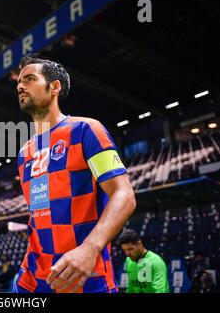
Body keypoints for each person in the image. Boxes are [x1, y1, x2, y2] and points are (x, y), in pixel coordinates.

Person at [13, 54, 136, 293]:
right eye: (18, 82)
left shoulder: (86, 130)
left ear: (55, 86)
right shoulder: (24, 152)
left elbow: (124, 194)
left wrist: (89, 249)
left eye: (29, 78)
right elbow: (38, 216)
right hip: (32, 279)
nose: (20, 85)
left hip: (83, 277)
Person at [119, 229, 169, 293]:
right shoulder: (129, 261)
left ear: (139, 244)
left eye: (130, 249)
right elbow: (131, 288)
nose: (127, 254)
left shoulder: (156, 262)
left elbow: (160, 291)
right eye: (125, 250)